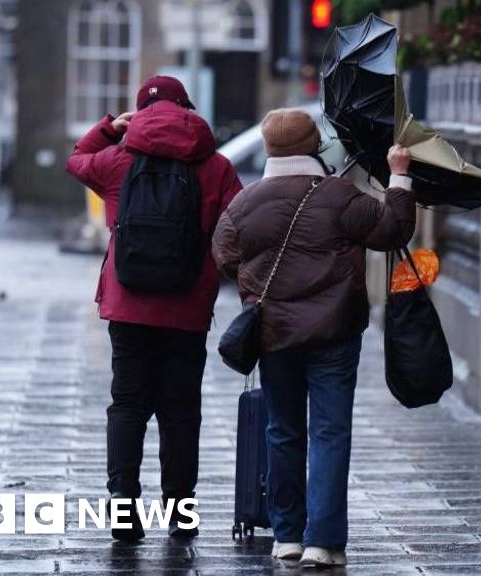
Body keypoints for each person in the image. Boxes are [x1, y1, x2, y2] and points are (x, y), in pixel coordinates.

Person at [212, 108, 415, 568]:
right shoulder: (340, 195)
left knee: (282, 431)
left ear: (267, 149)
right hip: (334, 334)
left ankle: (286, 536)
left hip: (274, 334)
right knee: (329, 432)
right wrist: (399, 178)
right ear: (313, 147)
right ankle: (322, 542)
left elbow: (224, 254)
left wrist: (258, 287)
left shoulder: (245, 204)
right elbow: (392, 231)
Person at [66, 76, 242, 541]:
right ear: (187, 108)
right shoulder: (216, 166)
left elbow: (76, 161)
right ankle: (180, 512)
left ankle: (124, 510)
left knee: (127, 403)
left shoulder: (119, 160)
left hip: (128, 305)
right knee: (181, 410)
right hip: (187, 308)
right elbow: (238, 227)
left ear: (139, 114)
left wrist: (110, 127)